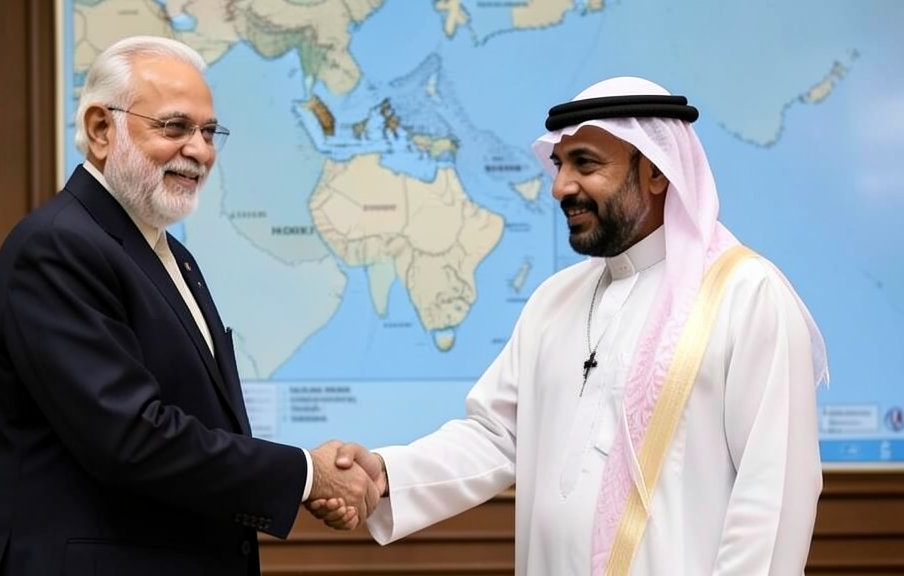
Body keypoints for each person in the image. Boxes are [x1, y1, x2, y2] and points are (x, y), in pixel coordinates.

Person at [312, 76, 829, 575]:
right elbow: (495, 436)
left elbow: (775, 496)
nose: (561, 186)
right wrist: (386, 475)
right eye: (560, 164)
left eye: (586, 164)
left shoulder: (746, 296)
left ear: (656, 171)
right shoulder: (555, 300)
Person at [0, 36, 376, 576]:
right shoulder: (56, 247)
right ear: (101, 129)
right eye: (175, 127)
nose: (200, 151)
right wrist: (306, 475)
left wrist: (310, 477)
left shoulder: (169, 254)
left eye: (209, 132)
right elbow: (131, 438)